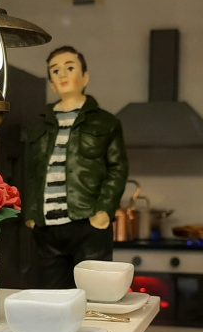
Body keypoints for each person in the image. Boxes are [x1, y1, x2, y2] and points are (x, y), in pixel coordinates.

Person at [22, 46, 129, 288]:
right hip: (46, 228)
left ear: (85, 77)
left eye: (70, 68)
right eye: (55, 70)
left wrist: (103, 212)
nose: (62, 74)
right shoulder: (39, 125)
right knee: (51, 298)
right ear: (51, 84)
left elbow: (118, 169)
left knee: (94, 293)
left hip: (88, 222)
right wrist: (30, 213)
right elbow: (31, 172)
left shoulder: (106, 122)